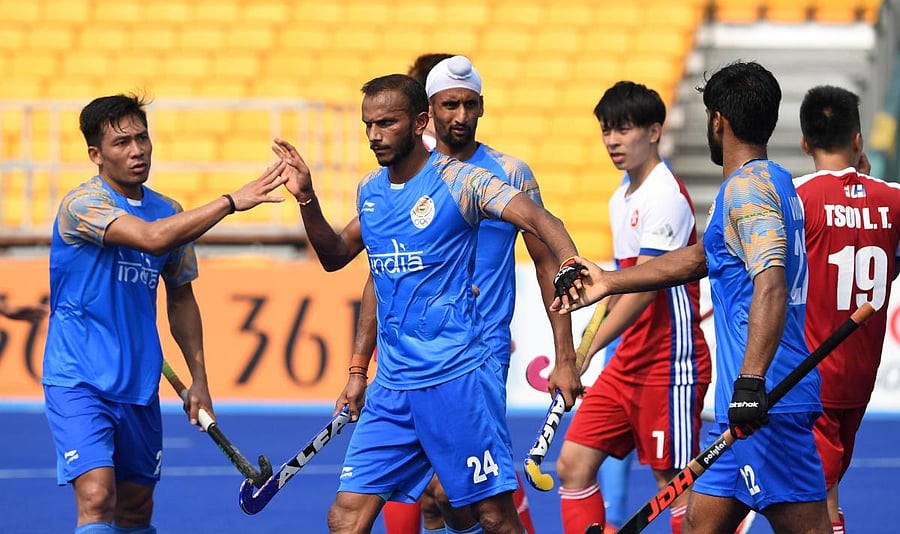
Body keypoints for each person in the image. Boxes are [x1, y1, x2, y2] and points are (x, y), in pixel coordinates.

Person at [272, 73, 583, 534]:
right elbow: (337, 256)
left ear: (419, 122)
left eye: (386, 124)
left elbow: (538, 217)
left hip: (456, 377)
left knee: (493, 516)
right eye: (368, 125)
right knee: (345, 515)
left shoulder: (462, 182)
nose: (375, 135)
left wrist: (570, 261)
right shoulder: (370, 191)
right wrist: (307, 199)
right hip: (393, 388)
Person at [552, 61, 834, 533]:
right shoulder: (768, 181)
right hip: (744, 406)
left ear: (717, 120)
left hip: (767, 403)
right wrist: (609, 280)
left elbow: (771, 283)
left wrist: (750, 383)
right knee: (698, 526)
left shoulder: (747, 189)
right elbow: (701, 258)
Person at [41, 93, 287, 534]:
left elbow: (181, 298)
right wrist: (231, 201)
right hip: (78, 379)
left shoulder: (169, 211)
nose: (137, 150)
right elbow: (152, 239)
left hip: (138, 385)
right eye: (121, 143)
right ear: (96, 154)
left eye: (142, 137)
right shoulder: (82, 206)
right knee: (97, 497)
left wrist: (200, 379)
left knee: (135, 511)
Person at [378, 54, 578, 534]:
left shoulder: (510, 172)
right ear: (430, 110)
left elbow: (547, 261)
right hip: (411, 356)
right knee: (425, 494)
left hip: (479, 354)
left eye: (470, 105)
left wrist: (565, 355)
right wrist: (360, 364)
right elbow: (378, 271)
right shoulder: (406, 176)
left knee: (457, 490)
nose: (461, 116)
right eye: (451, 105)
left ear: (482, 107)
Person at [554, 81, 711, 534]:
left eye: (624, 129)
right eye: (606, 130)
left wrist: (582, 353)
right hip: (626, 364)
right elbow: (615, 287)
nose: (612, 141)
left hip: (670, 365)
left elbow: (642, 290)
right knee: (573, 464)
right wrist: (580, 353)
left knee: (676, 482)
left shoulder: (665, 194)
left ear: (655, 131)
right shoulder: (619, 199)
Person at [793, 85, 900, 534]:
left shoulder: (795, 196)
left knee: (811, 498)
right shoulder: (894, 198)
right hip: (860, 375)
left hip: (809, 376)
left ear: (804, 142)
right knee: (826, 488)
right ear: (859, 140)